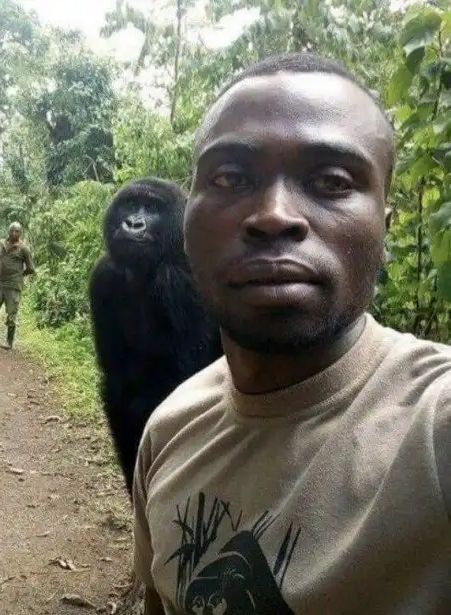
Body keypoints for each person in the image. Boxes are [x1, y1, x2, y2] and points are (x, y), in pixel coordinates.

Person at [132, 52, 450, 615]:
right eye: (231, 178)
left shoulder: (433, 425)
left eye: (331, 181)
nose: (274, 214)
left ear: (384, 228)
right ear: (187, 224)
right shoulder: (170, 431)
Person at [0, 221, 35, 349]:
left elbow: (31, 268)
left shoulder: (23, 249)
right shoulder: (1, 244)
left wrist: (19, 275)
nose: (14, 233)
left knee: (11, 314)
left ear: (20, 233)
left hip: (13, 287)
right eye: (12, 231)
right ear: (8, 231)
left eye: (17, 231)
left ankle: (9, 342)